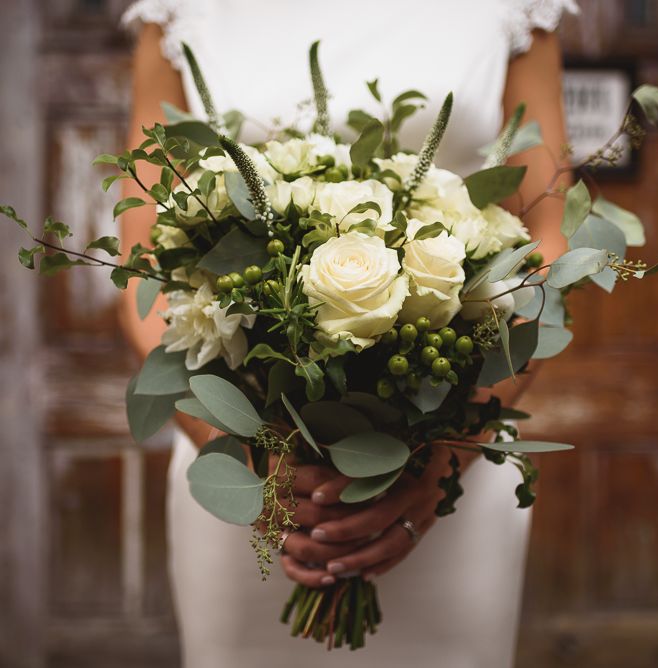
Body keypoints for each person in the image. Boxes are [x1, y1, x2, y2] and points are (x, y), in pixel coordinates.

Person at [119, 1, 576, 666]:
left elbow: (548, 240)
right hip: (247, 469)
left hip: (451, 468)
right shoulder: (177, 11)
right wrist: (245, 459)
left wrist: (450, 452)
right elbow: (142, 265)